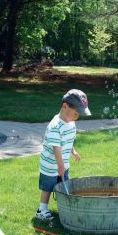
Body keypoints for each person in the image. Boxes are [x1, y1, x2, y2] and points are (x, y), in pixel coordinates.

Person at [35, 89, 91, 220]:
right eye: (76, 113)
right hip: (50, 164)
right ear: (65, 106)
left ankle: (63, 207)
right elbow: (56, 148)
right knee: (48, 187)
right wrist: (60, 165)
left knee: (63, 185)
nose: (77, 117)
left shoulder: (71, 123)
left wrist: (73, 151)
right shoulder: (55, 126)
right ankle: (41, 210)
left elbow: (68, 140)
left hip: (63, 163)